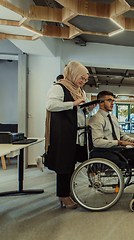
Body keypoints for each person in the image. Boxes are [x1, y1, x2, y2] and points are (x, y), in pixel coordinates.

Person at [88, 91, 134, 197]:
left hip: (118, 150)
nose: (112, 103)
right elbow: (97, 142)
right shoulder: (96, 119)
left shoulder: (113, 118)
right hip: (107, 152)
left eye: (113, 100)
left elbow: (122, 136)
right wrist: (119, 142)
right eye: (109, 100)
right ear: (100, 102)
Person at [45, 61, 96, 209]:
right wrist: (73, 104)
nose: (83, 81)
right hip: (63, 133)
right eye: (81, 78)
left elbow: (80, 112)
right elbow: (51, 105)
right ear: (73, 73)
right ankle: (63, 196)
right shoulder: (59, 87)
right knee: (63, 165)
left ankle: (68, 191)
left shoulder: (80, 91)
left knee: (71, 164)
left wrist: (88, 109)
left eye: (85, 80)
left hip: (76, 133)